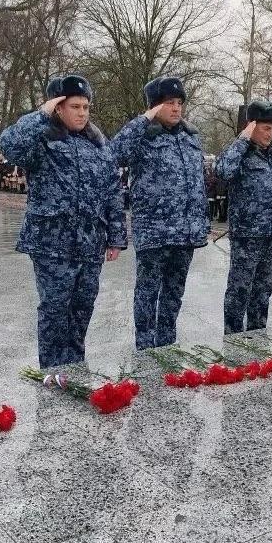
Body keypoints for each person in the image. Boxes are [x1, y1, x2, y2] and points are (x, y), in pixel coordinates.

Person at [0, 75, 126, 367]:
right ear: (58, 108)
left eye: (86, 107)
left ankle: (76, 366)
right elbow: (9, 145)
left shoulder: (98, 143)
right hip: (51, 242)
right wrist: (40, 115)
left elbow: (112, 190)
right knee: (55, 309)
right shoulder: (41, 139)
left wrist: (116, 236)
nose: (82, 113)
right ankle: (53, 370)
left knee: (82, 308)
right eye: (75, 107)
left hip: (90, 243)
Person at [110, 75, 208, 350]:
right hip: (154, 232)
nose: (176, 108)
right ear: (154, 107)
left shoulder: (190, 138)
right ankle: (144, 348)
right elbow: (112, 155)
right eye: (169, 103)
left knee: (174, 294)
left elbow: (196, 184)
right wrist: (143, 120)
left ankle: (167, 345)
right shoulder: (142, 137)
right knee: (147, 293)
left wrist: (200, 225)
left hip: (185, 233)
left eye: (179, 103)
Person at [215, 101, 272, 334]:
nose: (270, 134)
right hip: (247, 235)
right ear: (252, 126)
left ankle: (257, 336)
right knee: (239, 290)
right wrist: (242, 140)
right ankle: (232, 338)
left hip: (271, 236)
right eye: (265, 128)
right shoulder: (240, 154)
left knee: (263, 291)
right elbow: (223, 171)